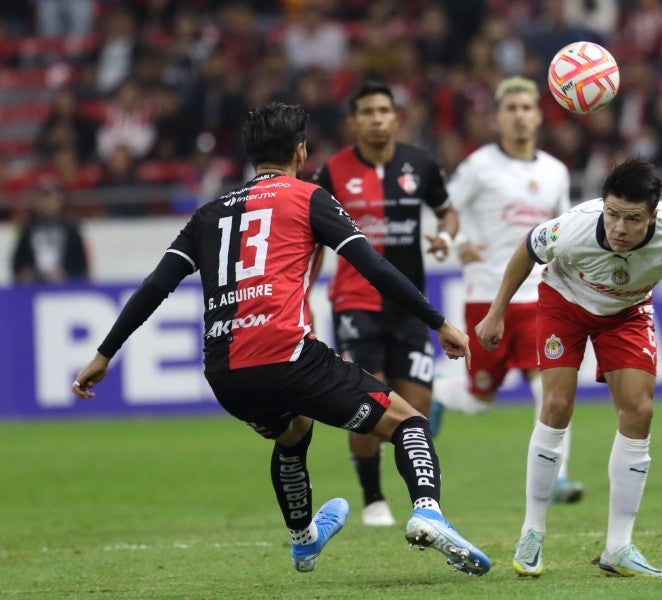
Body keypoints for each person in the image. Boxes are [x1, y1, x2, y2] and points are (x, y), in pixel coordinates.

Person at [71, 102, 491, 576]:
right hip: (290, 357)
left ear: (251, 156)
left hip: (226, 374)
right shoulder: (308, 196)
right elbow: (372, 266)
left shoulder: (208, 215)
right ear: (300, 151)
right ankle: (428, 512)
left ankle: (303, 540)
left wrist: (104, 354)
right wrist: (438, 322)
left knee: (294, 431)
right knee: (408, 424)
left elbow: (153, 287)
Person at [476, 156, 662, 578]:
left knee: (639, 411)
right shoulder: (575, 227)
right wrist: (497, 312)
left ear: (654, 215)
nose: (619, 227)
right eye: (613, 214)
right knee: (557, 404)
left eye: (632, 219)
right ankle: (532, 531)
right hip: (564, 303)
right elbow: (528, 249)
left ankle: (618, 547)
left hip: (628, 312)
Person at [428, 76, 584, 504]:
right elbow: (445, 206)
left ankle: (558, 478)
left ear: (538, 116)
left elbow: (564, 228)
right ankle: (442, 391)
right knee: (480, 400)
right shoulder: (479, 166)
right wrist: (457, 244)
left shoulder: (555, 171)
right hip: (489, 297)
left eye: (525, 108)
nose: (519, 115)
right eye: (510, 108)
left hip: (542, 296)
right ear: (497, 118)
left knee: (550, 385)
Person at [311, 80, 458, 527]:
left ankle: (424, 503)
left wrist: (446, 236)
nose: (377, 118)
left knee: (415, 411)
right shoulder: (331, 172)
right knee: (369, 402)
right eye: (367, 112)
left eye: (384, 110)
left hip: (410, 304)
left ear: (396, 117)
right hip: (355, 303)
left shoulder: (420, 164)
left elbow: (447, 211)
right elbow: (312, 237)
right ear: (353, 122)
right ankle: (373, 496)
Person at [12, 180, 89, 284]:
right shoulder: (28, 229)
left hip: (66, 288)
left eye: (50, 198)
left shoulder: (71, 229)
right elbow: (18, 262)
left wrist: (66, 272)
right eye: (42, 199)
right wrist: (26, 272)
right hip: (35, 287)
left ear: (60, 200)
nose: (46, 204)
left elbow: (81, 264)